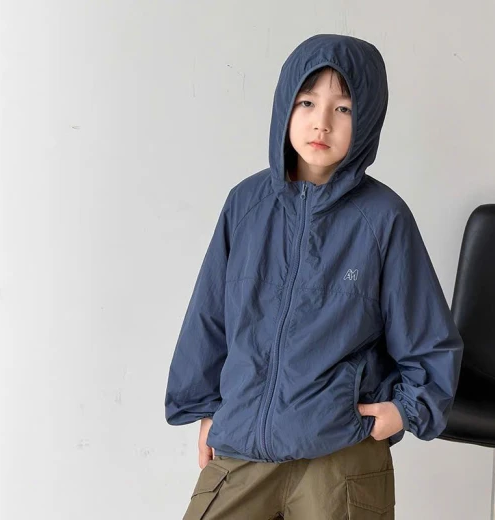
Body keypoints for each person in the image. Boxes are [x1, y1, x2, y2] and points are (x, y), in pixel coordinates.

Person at [164, 33, 464, 520]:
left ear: (367, 119)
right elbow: (210, 315)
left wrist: (404, 411)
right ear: (285, 105)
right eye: (307, 102)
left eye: (343, 108)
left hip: (340, 455)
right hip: (244, 447)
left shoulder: (383, 218)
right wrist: (205, 410)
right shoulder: (245, 205)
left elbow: (427, 333)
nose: (321, 122)